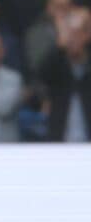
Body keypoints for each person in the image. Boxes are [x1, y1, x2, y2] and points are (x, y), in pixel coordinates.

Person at [38, 8, 91, 142]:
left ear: (87, 35)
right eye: (69, 34)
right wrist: (59, 47)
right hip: (60, 140)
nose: (72, 39)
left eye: (77, 34)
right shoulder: (57, 63)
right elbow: (43, 74)